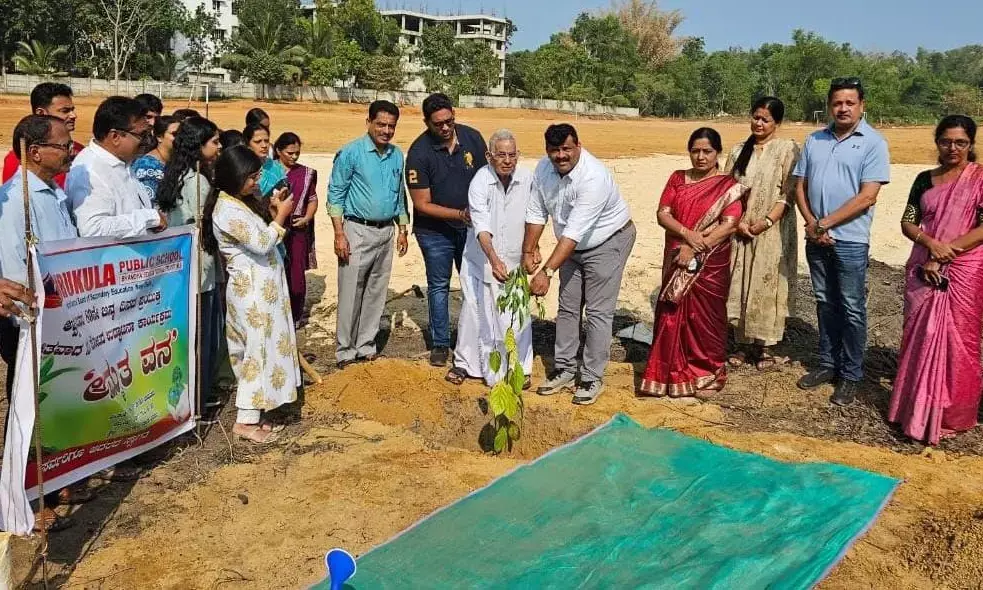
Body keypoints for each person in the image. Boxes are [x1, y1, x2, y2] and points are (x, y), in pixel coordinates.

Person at [0, 115, 84, 531]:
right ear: (34, 152)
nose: (70, 152)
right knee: (29, 409)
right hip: (31, 323)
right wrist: (32, 320)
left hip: (62, 319)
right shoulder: (16, 201)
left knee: (56, 405)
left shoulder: (55, 193)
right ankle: (27, 499)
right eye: (63, 146)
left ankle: (56, 482)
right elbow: (15, 269)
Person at [793, 78, 890, 406]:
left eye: (850, 103)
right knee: (824, 302)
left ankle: (851, 374)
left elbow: (867, 197)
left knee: (851, 307)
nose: (843, 108)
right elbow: (800, 185)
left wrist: (824, 223)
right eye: (837, 103)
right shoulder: (814, 139)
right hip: (815, 236)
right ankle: (827, 363)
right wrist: (812, 223)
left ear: (862, 105)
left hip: (849, 240)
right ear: (829, 106)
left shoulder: (873, 143)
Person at [524, 124, 635, 405]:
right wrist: (528, 249)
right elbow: (536, 212)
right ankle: (564, 368)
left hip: (607, 241)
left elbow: (574, 233)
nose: (561, 155)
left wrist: (547, 272)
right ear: (547, 150)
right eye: (554, 150)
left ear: (579, 147)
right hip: (571, 246)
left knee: (598, 311)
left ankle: (591, 376)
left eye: (566, 149)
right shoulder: (543, 169)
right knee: (568, 306)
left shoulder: (593, 177)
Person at [889, 115, 983, 445]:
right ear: (937, 143)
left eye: (960, 142)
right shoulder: (924, 180)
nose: (952, 148)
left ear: (971, 144)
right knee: (920, 335)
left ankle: (952, 415)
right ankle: (914, 410)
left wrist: (945, 253)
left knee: (960, 342)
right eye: (946, 141)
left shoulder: (980, 179)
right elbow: (908, 221)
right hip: (923, 265)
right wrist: (930, 244)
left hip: (964, 268)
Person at [639, 128, 746, 399]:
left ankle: (707, 372)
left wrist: (694, 248)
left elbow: (729, 225)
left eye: (707, 151)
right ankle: (667, 374)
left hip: (710, 262)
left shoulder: (728, 186)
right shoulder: (677, 178)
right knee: (671, 313)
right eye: (695, 151)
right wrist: (687, 235)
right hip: (677, 255)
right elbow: (663, 214)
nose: (700, 157)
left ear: (717, 153)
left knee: (705, 318)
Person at [203, 145, 300, 443]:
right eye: (252, 177)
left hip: (263, 290)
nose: (257, 182)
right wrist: (281, 217)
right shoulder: (226, 209)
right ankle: (245, 421)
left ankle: (262, 408)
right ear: (235, 177)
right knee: (254, 352)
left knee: (266, 347)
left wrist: (272, 213)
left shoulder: (239, 202)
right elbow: (261, 243)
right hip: (252, 294)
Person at [448, 129, 534, 387]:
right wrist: (494, 259)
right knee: (475, 312)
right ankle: (465, 364)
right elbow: (481, 227)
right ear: (489, 156)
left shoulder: (527, 178)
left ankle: (520, 368)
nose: (507, 161)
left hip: (515, 258)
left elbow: (534, 216)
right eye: (501, 155)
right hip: (481, 259)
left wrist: (533, 247)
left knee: (516, 314)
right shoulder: (480, 182)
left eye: (512, 155)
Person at [406, 93, 487, 366]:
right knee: (439, 286)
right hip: (434, 233)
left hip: (470, 229)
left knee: (473, 282)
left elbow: (487, 178)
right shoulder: (418, 153)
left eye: (449, 121)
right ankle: (440, 343)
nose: (444, 127)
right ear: (426, 122)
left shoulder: (473, 139)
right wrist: (461, 214)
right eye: (438, 123)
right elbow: (422, 204)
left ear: (454, 114)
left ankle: (473, 337)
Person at [329, 100, 409, 367]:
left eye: (391, 126)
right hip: (356, 230)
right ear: (369, 122)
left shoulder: (396, 155)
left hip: (386, 231)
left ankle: (366, 345)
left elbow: (399, 194)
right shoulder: (350, 153)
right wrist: (339, 234)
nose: (386, 131)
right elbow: (336, 194)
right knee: (351, 291)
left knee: (376, 290)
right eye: (381, 124)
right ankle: (345, 350)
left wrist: (402, 229)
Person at [724, 97, 801, 370]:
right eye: (755, 117)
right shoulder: (737, 151)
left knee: (767, 284)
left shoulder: (787, 149)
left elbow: (789, 193)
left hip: (773, 231)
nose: (758, 123)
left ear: (776, 123)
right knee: (740, 281)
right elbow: (727, 191)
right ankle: (742, 344)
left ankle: (764, 346)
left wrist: (766, 221)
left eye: (765, 120)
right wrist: (739, 223)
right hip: (740, 229)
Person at [156, 116, 224, 407]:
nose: (219, 147)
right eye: (214, 142)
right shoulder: (197, 181)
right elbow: (205, 225)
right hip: (199, 268)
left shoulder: (175, 174)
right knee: (202, 336)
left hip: (179, 266)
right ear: (199, 145)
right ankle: (199, 397)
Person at [67, 96, 167, 238]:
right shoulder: (90, 171)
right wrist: (149, 218)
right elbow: (92, 229)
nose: (147, 141)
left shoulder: (123, 161)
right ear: (115, 136)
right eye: (142, 135)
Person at [274, 132, 319, 327]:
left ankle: (295, 315)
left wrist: (307, 217)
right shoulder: (268, 171)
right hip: (273, 229)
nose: (294, 157)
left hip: (297, 230)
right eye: (290, 153)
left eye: (297, 153)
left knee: (296, 276)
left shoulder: (306, 173)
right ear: (278, 151)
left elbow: (312, 199)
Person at [2, 82, 84, 189]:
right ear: (41, 113)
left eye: (72, 110)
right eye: (65, 111)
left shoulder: (81, 151)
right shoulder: (18, 160)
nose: (73, 115)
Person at [132, 115, 178, 202]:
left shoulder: (175, 161)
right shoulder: (147, 166)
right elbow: (148, 203)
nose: (180, 138)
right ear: (159, 137)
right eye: (175, 134)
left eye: (182, 134)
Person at [244, 123, 285, 198]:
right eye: (257, 142)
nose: (264, 145)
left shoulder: (277, 168)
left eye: (266, 141)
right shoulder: (240, 167)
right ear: (247, 144)